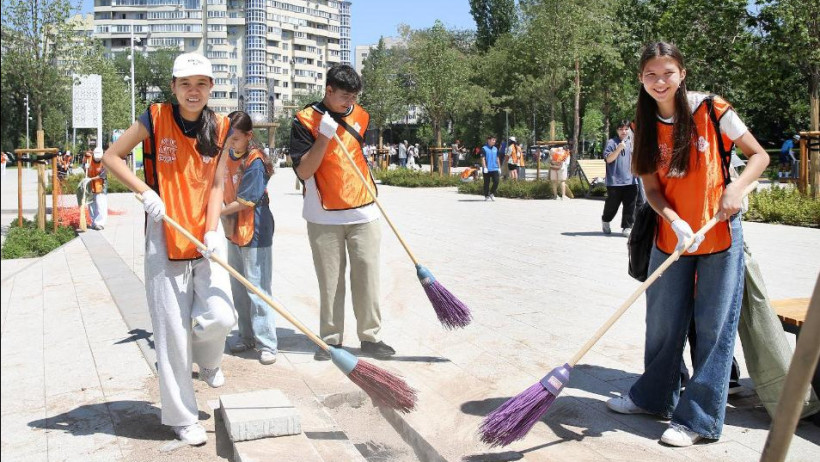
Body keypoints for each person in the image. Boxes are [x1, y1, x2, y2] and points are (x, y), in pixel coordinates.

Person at [605, 42, 769, 447]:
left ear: (682, 73)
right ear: (641, 80)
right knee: (661, 325)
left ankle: (698, 420)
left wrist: (737, 188)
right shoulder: (644, 125)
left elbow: (759, 156)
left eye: (668, 73)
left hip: (719, 236)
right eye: (651, 75)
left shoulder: (712, 110)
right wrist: (674, 220)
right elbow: (652, 189)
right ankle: (654, 397)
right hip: (671, 240)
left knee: (713, 328)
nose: (660, 82)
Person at [102, 52, 236, 447]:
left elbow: (215, 185)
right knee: (171, 331)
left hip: (204, 234)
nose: (192, 92)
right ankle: (182, 416)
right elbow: (112, 156)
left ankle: (209, 359)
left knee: (221, 316)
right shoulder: (155, 117)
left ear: (211, 88)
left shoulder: (222, 125)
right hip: (165, 232)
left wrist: (213, 231)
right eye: (184, 84)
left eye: (200, 84)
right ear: (174, 87)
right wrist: (145, 193)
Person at [289, 64, 396, 362]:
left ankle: (371, 337)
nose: (350, 102)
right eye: (344, 96)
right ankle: (331, 340)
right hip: (324, 217)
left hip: (364, 213)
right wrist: (323, 137)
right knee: (331, 282)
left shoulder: (361, 116)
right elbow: (304, 169)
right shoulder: (304, 120)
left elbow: (357, 154)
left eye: (354, 96)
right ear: (328, 90)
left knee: (368, 278)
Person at [221, 111, 278, 366]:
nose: (230, 143)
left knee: (257, 288)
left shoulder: (255, 162)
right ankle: (246, 336)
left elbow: (246, 200)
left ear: (248, 136)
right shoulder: (227, 156)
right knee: (238, 287)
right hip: (233, 229)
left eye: (234, 139)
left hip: (255, 229)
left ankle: (267, 343)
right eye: (227, 139)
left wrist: (214, 212)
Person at [601, 121, 639, 236]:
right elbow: (608, 159)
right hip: (615, 181)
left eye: (626, 129)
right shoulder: (611, 142)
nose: (624, 131)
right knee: (612, 205)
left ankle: (627, 227)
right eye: (621, 129)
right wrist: (618, 149)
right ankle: (606, 220)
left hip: (631, 180)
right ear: (617, 130)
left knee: (630, 205)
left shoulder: (633, 142)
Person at [86, 147, 108, 230]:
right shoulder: (89, 159)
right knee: (91, 204)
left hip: (101, 185)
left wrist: (91, 178)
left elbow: (101, 175)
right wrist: (85, 167)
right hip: (90, 184)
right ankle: (93, 222)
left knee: (100, 203)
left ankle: (100, 223)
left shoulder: (105, 162)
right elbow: (84, 167)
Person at [480, 135, 500, 201]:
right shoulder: (484, 148)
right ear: (489, 140)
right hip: (487, 169)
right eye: (493, 140)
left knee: (496, 181)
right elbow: (483, 159)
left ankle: (491, 193)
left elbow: (497, 158)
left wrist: (499, 167)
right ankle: (486, 195)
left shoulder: (495, 149)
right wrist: (485, 167)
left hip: (495, 168)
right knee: (486, 183)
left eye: (495, 140)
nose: (494, 141)